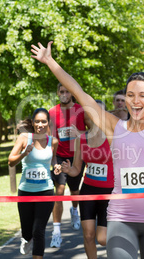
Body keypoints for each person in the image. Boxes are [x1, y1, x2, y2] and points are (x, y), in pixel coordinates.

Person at [30, 12, 144, 259]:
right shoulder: (113, 126)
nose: (136, 101)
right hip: (120, 218)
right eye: (130, 95)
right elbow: (78, 91)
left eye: (142, 95)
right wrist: (50, 62)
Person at [59, 100, 114, 259]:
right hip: (88, 190)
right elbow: (77, 169)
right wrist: (69, 170)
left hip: (109, 192)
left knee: (102, 239)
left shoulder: (113, 138)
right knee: (88, 235)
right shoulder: (81, 139)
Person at [8, 108, 59, 258]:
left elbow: (53, 159)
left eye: (44, 121)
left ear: (48, 123)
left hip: (46, 190)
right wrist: (24, 153)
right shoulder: (24, 138)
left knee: (39, 230)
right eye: (37, 121)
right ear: (32, 123)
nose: (40, 124)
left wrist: (56, 166)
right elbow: (11, 161)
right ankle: (25, 238)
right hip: (26, 190)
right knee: (27, 230)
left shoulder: (53, 141)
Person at [48, 84, 87, 248]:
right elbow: (50, 138)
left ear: (72, 93)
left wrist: (78, 134)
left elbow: (91, 132)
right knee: (59, 190)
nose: (64, 94)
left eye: (67, 91)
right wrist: (53, 161)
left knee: (75, 191)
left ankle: (74, 210)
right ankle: (56, 232)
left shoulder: (81, 110)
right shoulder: (52, 112)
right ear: (57, 93)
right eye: (61, 92)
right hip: (59, 155)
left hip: (76, 155)